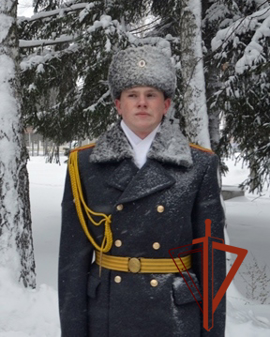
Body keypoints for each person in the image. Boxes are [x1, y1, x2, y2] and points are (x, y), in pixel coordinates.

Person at [58, 46, 226, 336]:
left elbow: (212, 265)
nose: (142, 103)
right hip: (108, 313)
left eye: (151, 95)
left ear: (167, 104)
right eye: (132, 95)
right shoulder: (84, 164)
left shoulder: (199, 164)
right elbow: (72, 264)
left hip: (175, 314)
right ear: (118, 105)